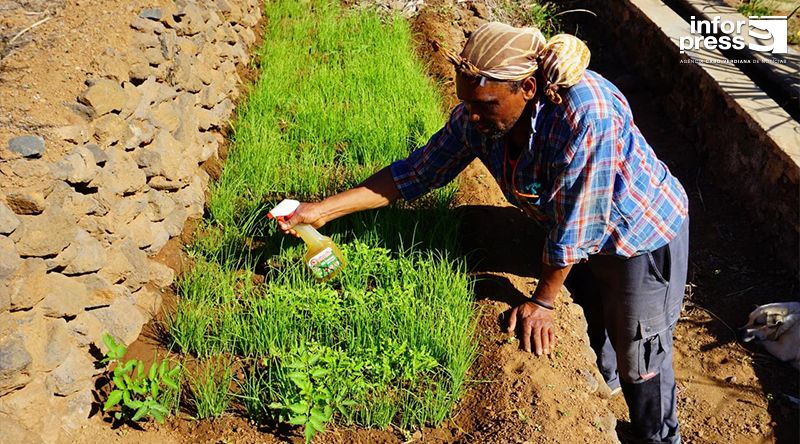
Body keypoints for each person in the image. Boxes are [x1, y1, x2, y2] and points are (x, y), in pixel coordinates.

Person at [276, 22, 689, 444]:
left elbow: (575, 227)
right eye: (466, 103)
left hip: (638, 235)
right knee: (594, 315)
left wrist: (543, 303)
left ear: (527, 88)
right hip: (577, 230)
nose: (472, 115)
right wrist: (322, 211)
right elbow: (415, 173)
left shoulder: (585, 116)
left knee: (642, 355)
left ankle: (657, 436)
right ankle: (601, 390)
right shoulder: (479, 118)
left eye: (485, 104)